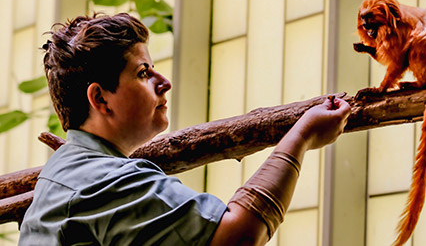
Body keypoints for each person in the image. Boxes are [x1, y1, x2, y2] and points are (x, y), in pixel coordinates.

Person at [19, 13, 351, 245]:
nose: (164, 83)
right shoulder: (105, 181)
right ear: (101, 99)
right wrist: (301, 136)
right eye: (143, 73)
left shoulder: (64, 170)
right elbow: (239, 236)